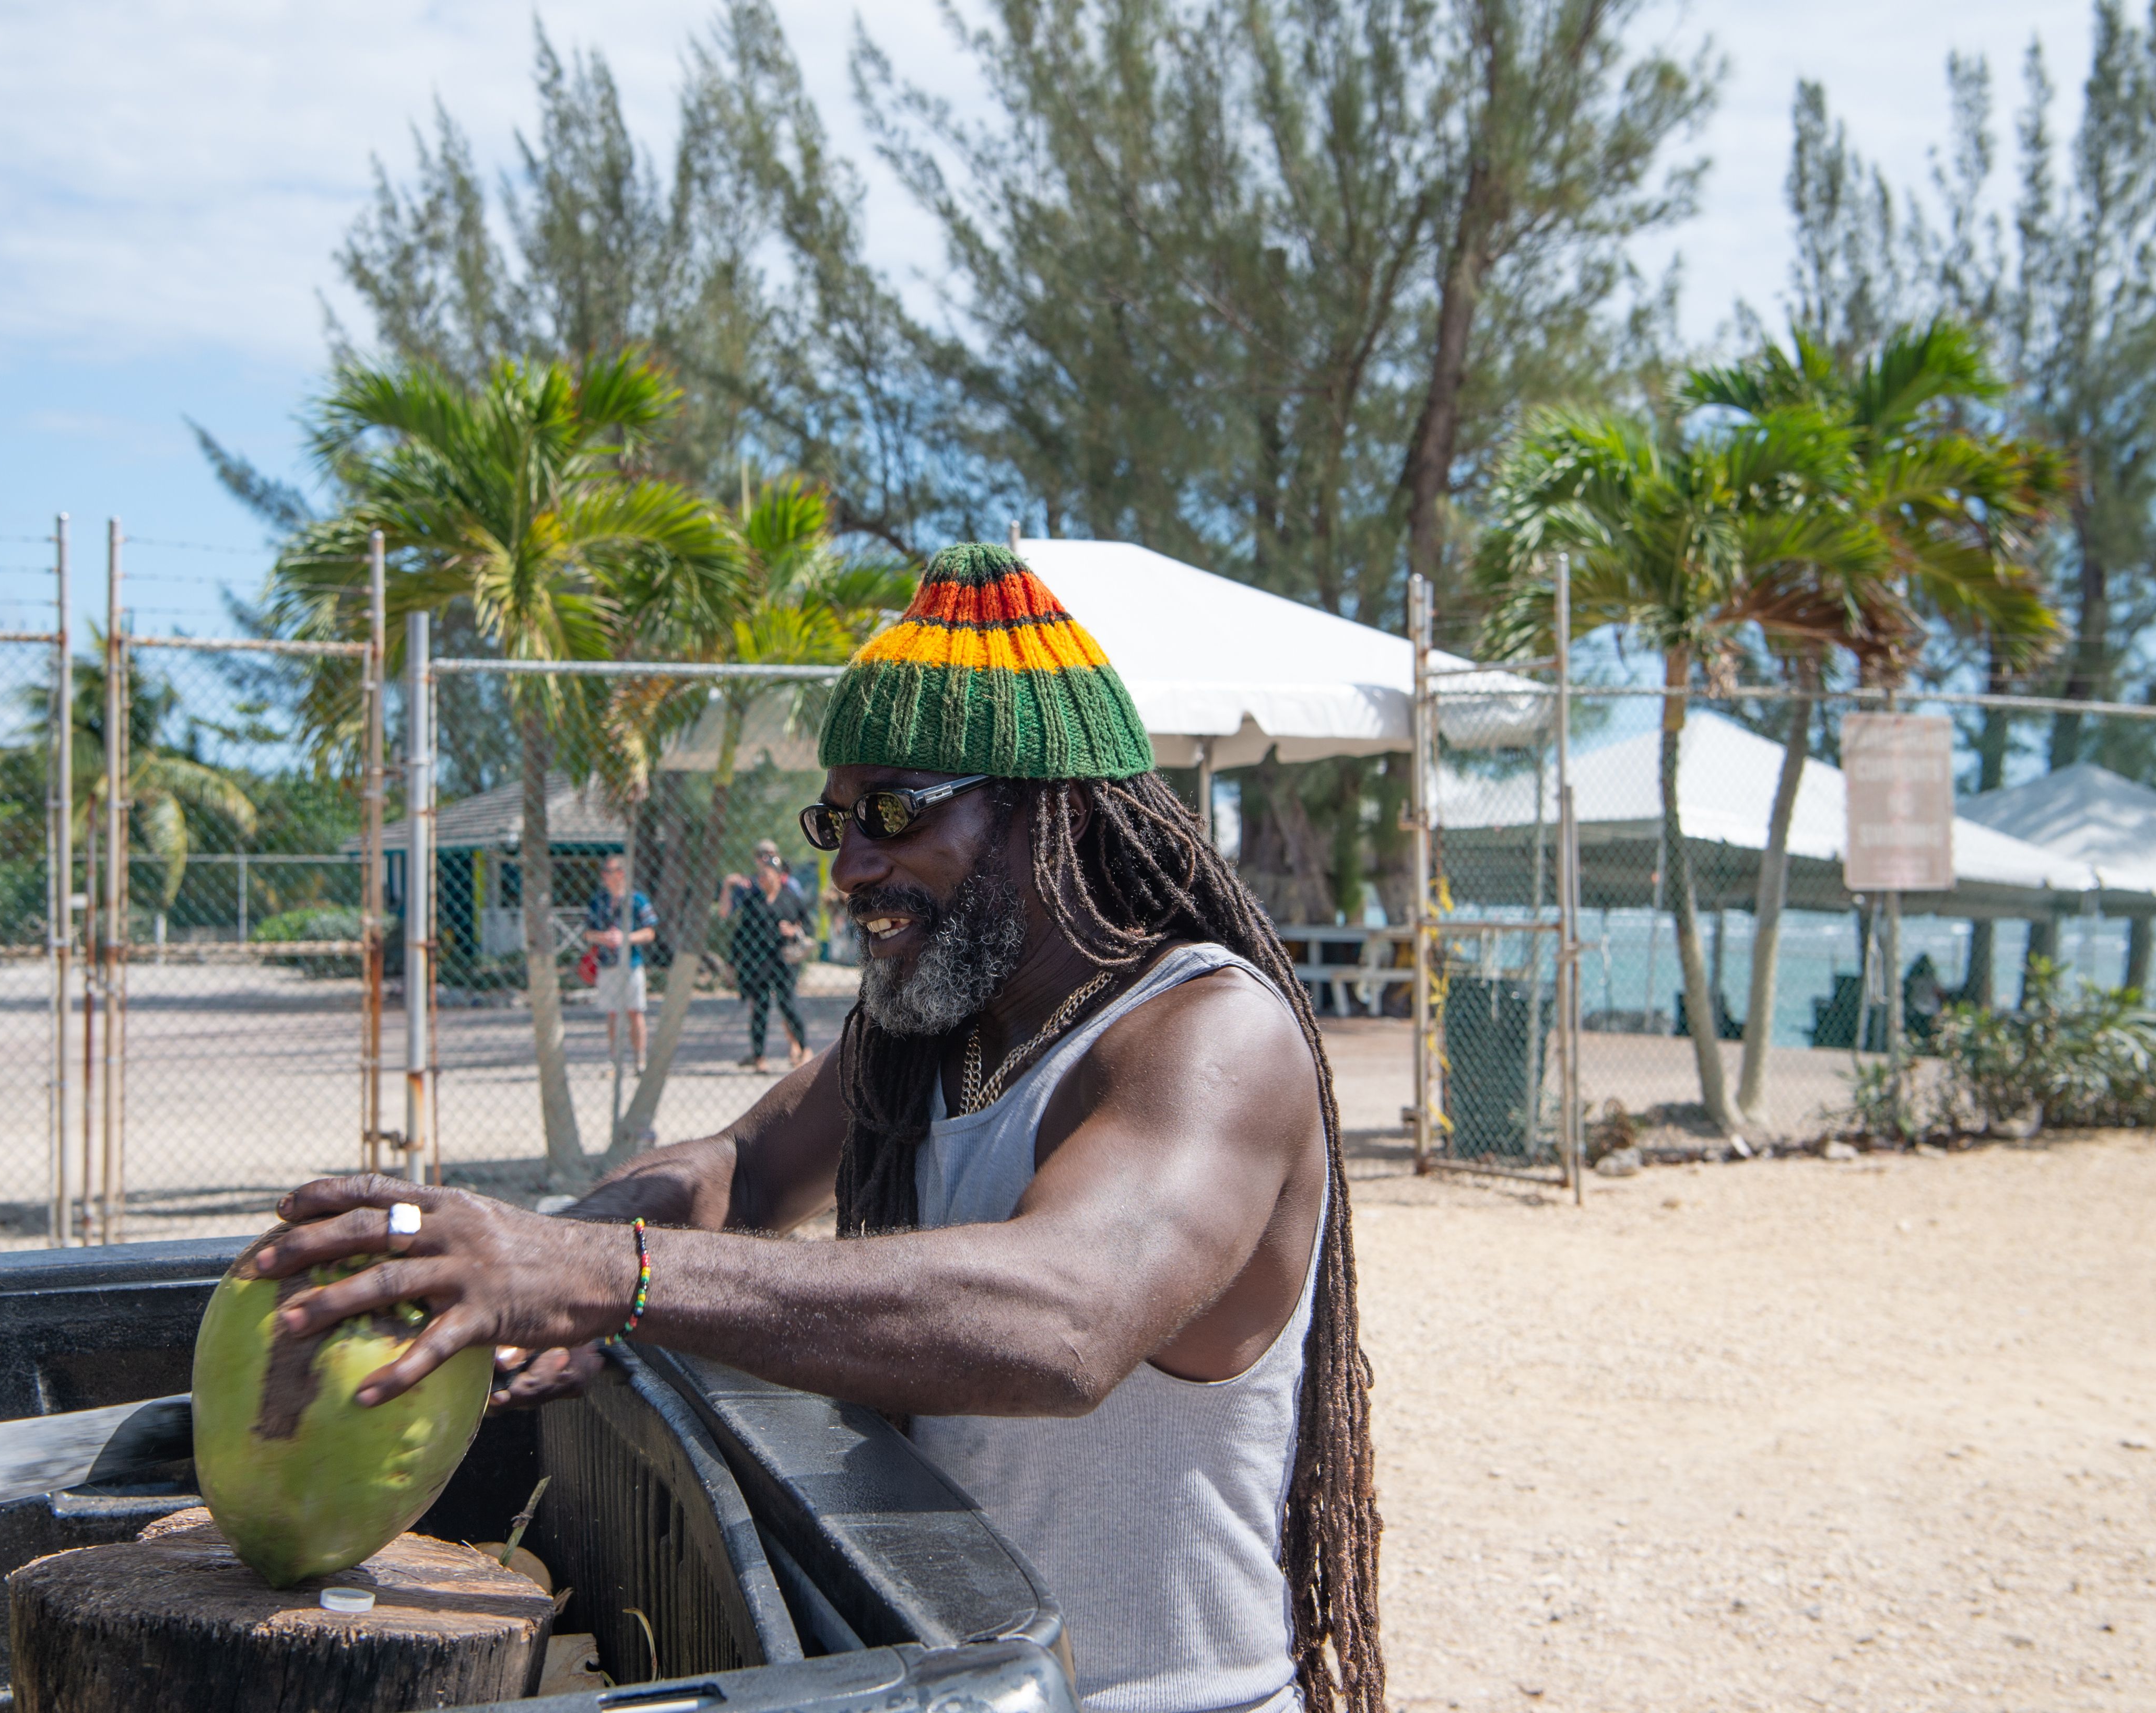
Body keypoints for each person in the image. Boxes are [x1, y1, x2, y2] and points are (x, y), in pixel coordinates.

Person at [250, 545, 1382, 1713]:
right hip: (954, 1681)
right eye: (833, 819)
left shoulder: (1208, 1033)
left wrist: (606, 1274)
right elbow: (730, 1172)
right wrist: (515, 1261)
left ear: (1055, 810)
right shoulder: (938, 1033)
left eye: (893, 810)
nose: (847, 864)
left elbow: (1068, 1316)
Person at [721, 839, 812, 1072]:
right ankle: (759, 1057)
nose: (765, 878)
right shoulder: (753, 901)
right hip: (757, 962)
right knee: (759, 1009)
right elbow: (740, 934)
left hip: (784, 961)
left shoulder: (791, 898)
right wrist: (732, 963)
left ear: (779, 875)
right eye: (762, 875)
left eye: (770, 874)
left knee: (788, 1005)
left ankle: (803, 1049)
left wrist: (794, 931)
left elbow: (809, 928)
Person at [583, 855, 657, 1065]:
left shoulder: (637, 900)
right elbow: (588, 934)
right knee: (613, 1014)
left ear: (621, 874)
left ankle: (639, 1061)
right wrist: (603, 938)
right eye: (604, 872)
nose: (604, 876)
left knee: (635, 1012)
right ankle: (615, 1062)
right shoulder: (599, 901)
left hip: (631, 963)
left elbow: (650, 932)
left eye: (609, 871)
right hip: (607, 964)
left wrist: (626, 938)